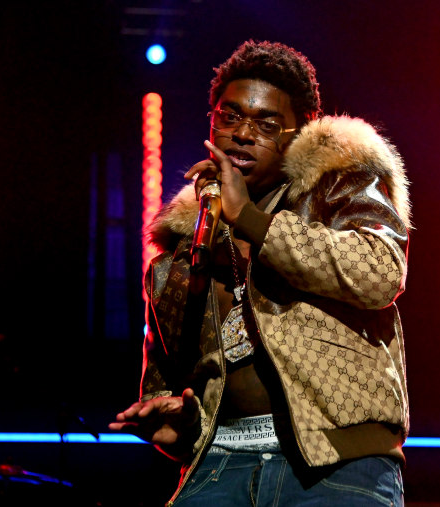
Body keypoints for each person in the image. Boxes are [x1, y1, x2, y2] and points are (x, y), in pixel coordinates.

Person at [110, 40, 412, 506]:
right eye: (230, 116)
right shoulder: (181, 248)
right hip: (219, 468)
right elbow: (166, 380)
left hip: (335, 467)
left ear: (301, 132)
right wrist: (178, 421)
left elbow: (378, 273)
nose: (243, 134)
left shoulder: (337, 187)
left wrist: (249, 219)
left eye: (267, 123)